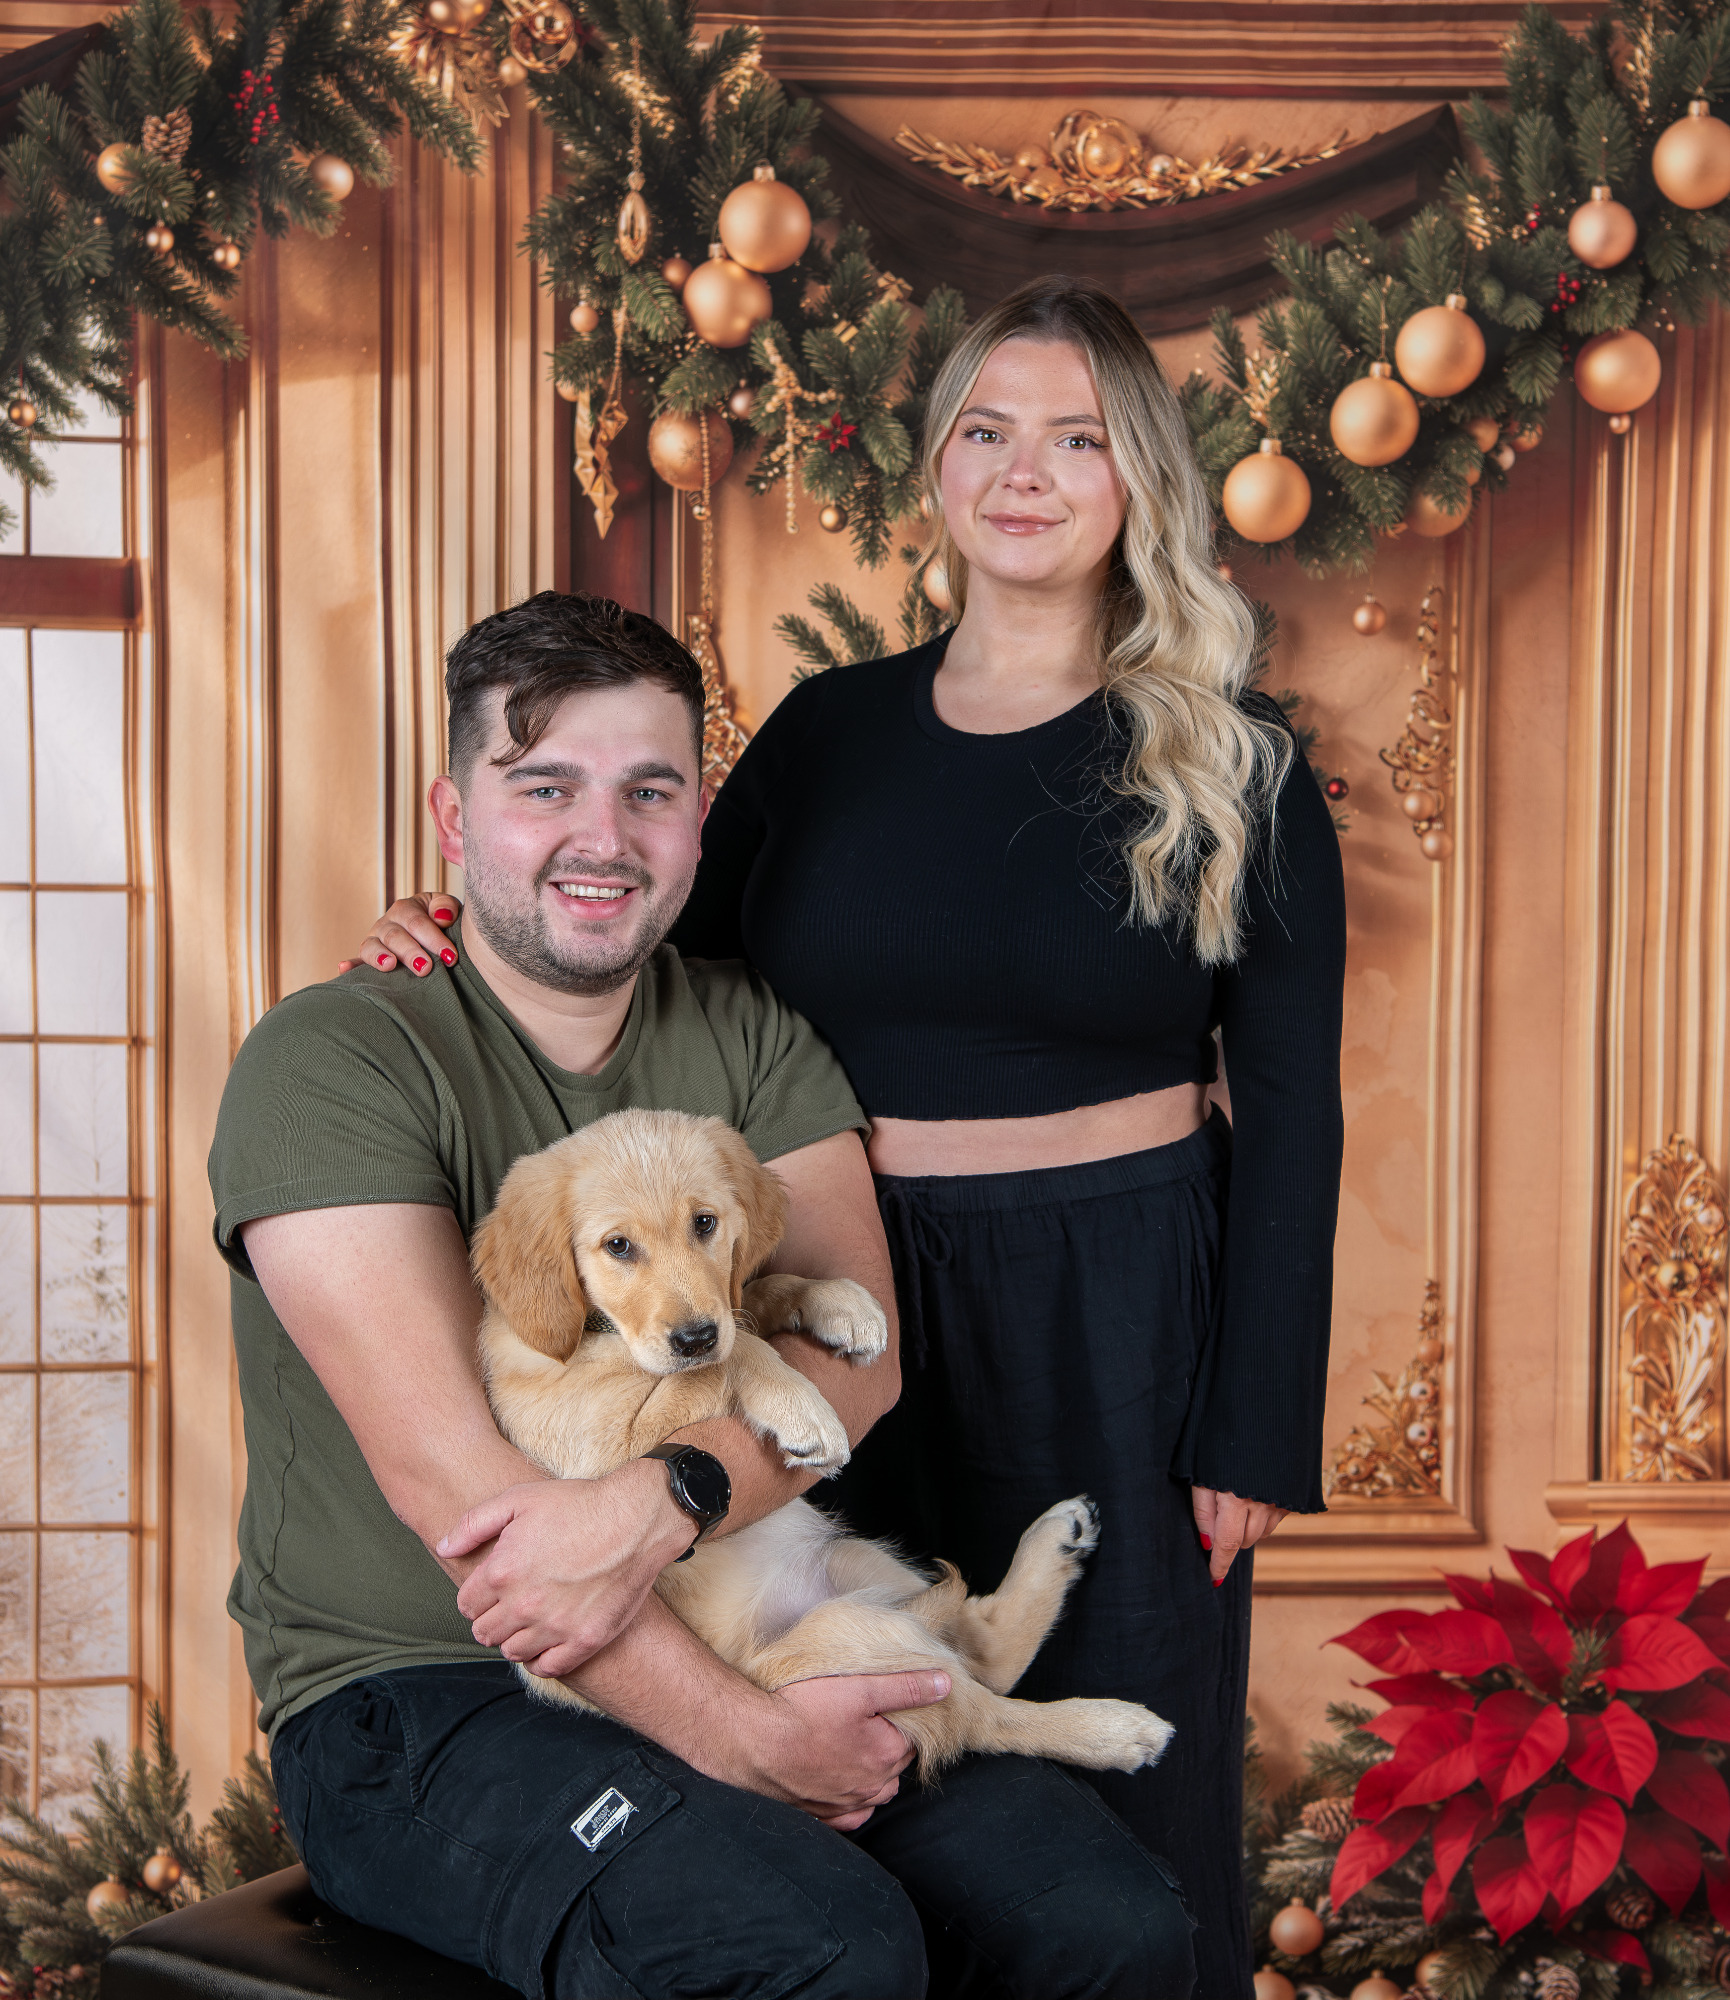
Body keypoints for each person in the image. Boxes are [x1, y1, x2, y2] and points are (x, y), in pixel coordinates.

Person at [364, 276, 1347, 1995]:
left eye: (1076, 440)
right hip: (813, 1295)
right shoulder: (826, 734)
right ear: (936, 467)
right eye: (986, 430)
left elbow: (1293, 1107)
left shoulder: (1235, 763)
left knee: (1116, 1814)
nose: (1023, 473)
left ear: (1140, 482)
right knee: (844, 1767)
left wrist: (1254, 1422)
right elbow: (644, 952)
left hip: (1115, 1309)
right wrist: (453, 937)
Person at [213, 590, 1197, 2000]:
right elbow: (466, 1502)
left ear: (695, 821)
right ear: (452, 817)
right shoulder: (331, 1063)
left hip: (742, 1614)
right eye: (543, 786)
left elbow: (854, 1353)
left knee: (1104, 1925)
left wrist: (672, 1495)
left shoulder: (744, 1031)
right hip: (422, 1700)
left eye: (650, 790)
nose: (602, 837)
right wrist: (739, 1734)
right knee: (824, 1949)